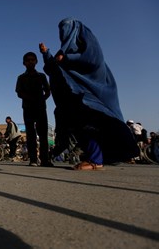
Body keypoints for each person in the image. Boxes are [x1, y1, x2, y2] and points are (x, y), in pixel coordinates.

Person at [39, 18, 138, 170]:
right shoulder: (63, 52)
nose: (62, 33)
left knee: (92, 124)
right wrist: (46, 54)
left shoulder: (87, 45)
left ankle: (96, 159)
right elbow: (54, 69)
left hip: (92, 93)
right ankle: (96, 157)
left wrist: (68, 58)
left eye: (66, 28)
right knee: (76, 125)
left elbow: (93, 60)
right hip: (74, 98)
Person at [16, 52, 52, 167]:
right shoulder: (21, 77)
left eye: (32, 60)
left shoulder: (41, 76)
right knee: (30, 134)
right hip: (28, 108)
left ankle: (45, 160)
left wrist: (41, 99)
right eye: (28, 60)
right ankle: (33, 159)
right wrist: (29, 98)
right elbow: (19, 92)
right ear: (24, 63)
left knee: (43, 134)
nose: (30, 62)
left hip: (41, 108)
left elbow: (48, 91)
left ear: (36, 61)